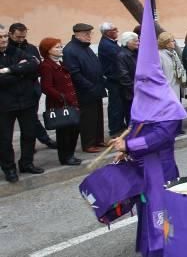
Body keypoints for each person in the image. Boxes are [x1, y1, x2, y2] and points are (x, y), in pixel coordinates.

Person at [107, 0, 187, 257]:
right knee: (146, 210)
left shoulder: (168, 106)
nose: (140, 86)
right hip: (141, 167)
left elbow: (160, 137)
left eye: (145, 81)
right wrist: (123, 144)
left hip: (160, 169)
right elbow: (138, 128)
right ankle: (154, 250)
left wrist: (129, 145)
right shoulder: (142, 104)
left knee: (159, 211)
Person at [1, 24, 43, 182]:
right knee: (5, 139)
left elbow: (33, 65)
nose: (4, 40)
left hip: (26, 101)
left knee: (29, 134)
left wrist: (8, 70)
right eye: (0, 37)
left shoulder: (16, 51)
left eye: (5, 36)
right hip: (4, 105)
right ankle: (9, 168)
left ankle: (26, 163)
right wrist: (20, 71)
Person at [8, 23, 56, 149]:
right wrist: (21, 68)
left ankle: (39, 142)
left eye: (23, 36)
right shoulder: (7, 50)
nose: (21, 39)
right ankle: (41, 140)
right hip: (11, 92)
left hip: (31, 88)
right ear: (10, 34)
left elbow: (37, 67)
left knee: (31, 119)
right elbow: (7, 71)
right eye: (18, 37)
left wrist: (21, 69)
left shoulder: (30, 48)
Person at [62, 23, 106, 153]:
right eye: (86, 34)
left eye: (90, 33)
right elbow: (74, 73)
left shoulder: (85, 47)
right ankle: (88, 143)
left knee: (97, 116)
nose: (89, 36)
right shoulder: (70, 50)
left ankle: (98, 139)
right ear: (78, 35)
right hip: (85, 90)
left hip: (95, 87)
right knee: (88, 118)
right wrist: (89, 85)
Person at [38, 38, 81, 166]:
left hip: (71, 101)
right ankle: (65, 157)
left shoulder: (60, 63)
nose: (60, 49)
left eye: (60, 46)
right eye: (57, 47)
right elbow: (46, 87)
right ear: (48, 51)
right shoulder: (46, 66)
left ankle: (70, 154)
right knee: (64, 133)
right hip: (59, 103)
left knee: (74, 129)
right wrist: (62, 97)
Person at [98, 22, 125, 137]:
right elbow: (119, 56)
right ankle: (115, 129)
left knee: (119, 104)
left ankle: (119, 126)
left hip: (116, 78)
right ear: (108, 32)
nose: (117, 31)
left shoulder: (110, 42)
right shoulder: (107, 44)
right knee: (115, 105)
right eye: (115, 29)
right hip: (113, 79)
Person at [157, 32, 186, 133]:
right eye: (172, 41)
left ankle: (178, 127)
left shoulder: (173, 53)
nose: (174, 43)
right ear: (166, 43)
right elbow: (158, 72)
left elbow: (179, 67)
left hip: (176, 85)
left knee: (177, 108)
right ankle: (171, 129)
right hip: (167, 87)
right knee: (169, 110)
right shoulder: (159, 55)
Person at [117, 31, 139, 127]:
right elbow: (124, 76)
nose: (138, 43)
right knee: (131, 116)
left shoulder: (134, 53)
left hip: (136, 89)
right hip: (130, 92)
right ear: (128, 42)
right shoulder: (122, 55)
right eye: (135, 41)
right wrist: (135, 88)